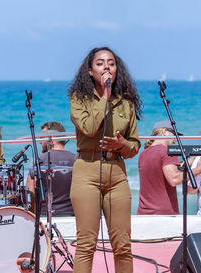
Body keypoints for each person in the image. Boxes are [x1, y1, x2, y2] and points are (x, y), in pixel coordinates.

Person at [69, 47, 142, 273]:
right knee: (86, 244)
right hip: (87, 171)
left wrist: (123, 146)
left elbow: (134, 146)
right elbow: (90, 128)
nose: (107, 67)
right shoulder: (78, 99)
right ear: (90, 71)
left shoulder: (126, 103)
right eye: (100, 63)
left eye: (111, 63)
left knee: (122, 245)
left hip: (117, 173)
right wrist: (105, 97)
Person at [138, 120, 201, 215]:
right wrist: (198, 169)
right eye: (174, 134)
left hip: (144, 212)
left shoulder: (144, 153)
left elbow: (164, 169)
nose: (176, 139)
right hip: (165, 214)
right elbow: (174, 179)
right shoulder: (167, 152)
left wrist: (191, 160)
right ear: (164, 132)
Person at [26, 121, 76, 216]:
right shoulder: (76, 159)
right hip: (72, 214)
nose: (40, 141)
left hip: (45, 215)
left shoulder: (40, 159)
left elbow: (30, 193)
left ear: (51, 140)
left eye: (42, 137)